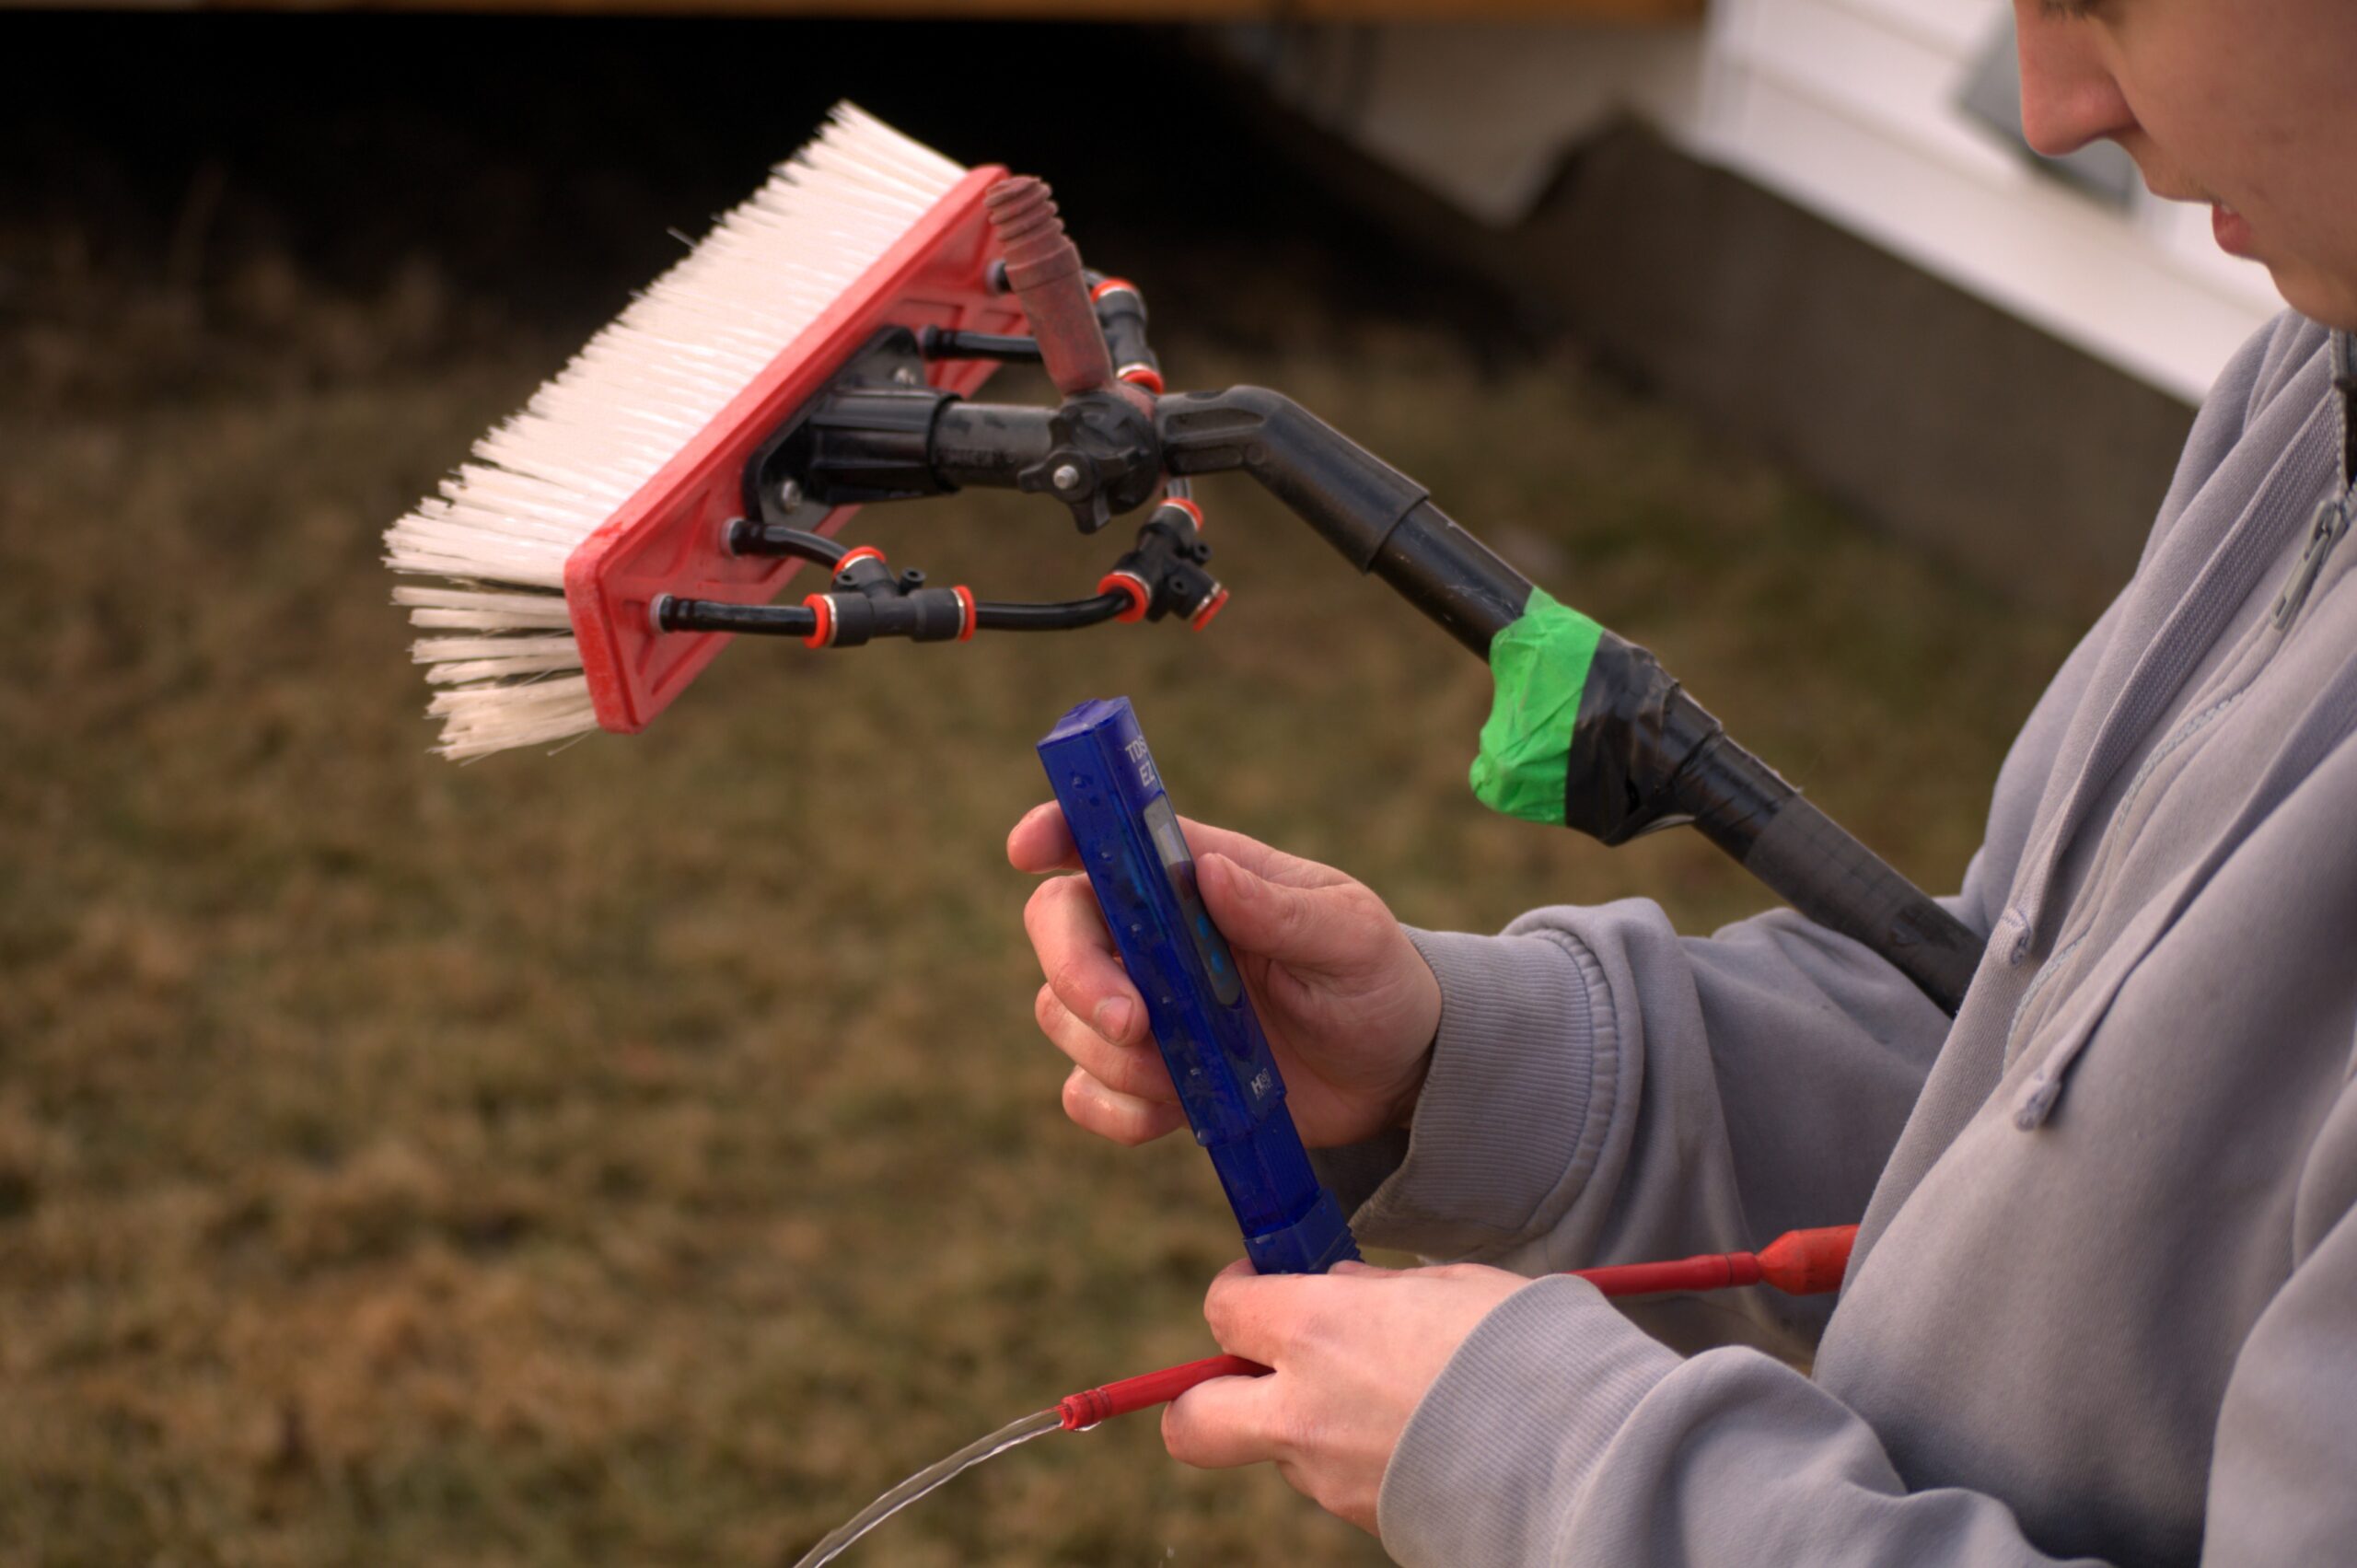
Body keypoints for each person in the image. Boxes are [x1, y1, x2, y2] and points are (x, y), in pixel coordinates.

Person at [1010, 3, 2357, 1563]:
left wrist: (1555, 1455)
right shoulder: (2309, 397)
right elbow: (2017, 1048)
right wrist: (1457, 1059)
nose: (2048, 109)